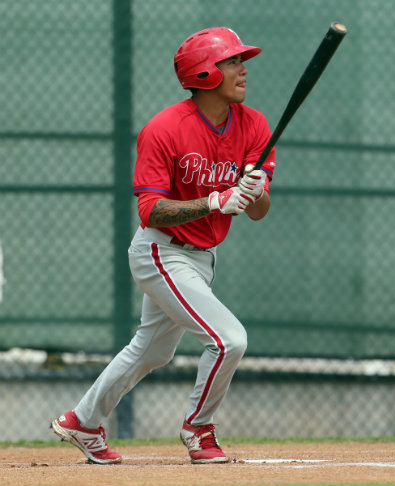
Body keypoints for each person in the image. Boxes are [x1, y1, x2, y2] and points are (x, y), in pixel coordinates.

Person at [51, 26, 276, 465]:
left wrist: (254, 189)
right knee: (229, 340)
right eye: (232, 61)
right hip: (160, 251)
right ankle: (199, 428)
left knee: (153, 350)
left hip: (203, 257)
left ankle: (82, 420)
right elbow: (150, 211)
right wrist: (214, 200)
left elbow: (258, 210)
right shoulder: (164, 128)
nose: (243, 69)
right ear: (205, 73)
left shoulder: (254, 124)